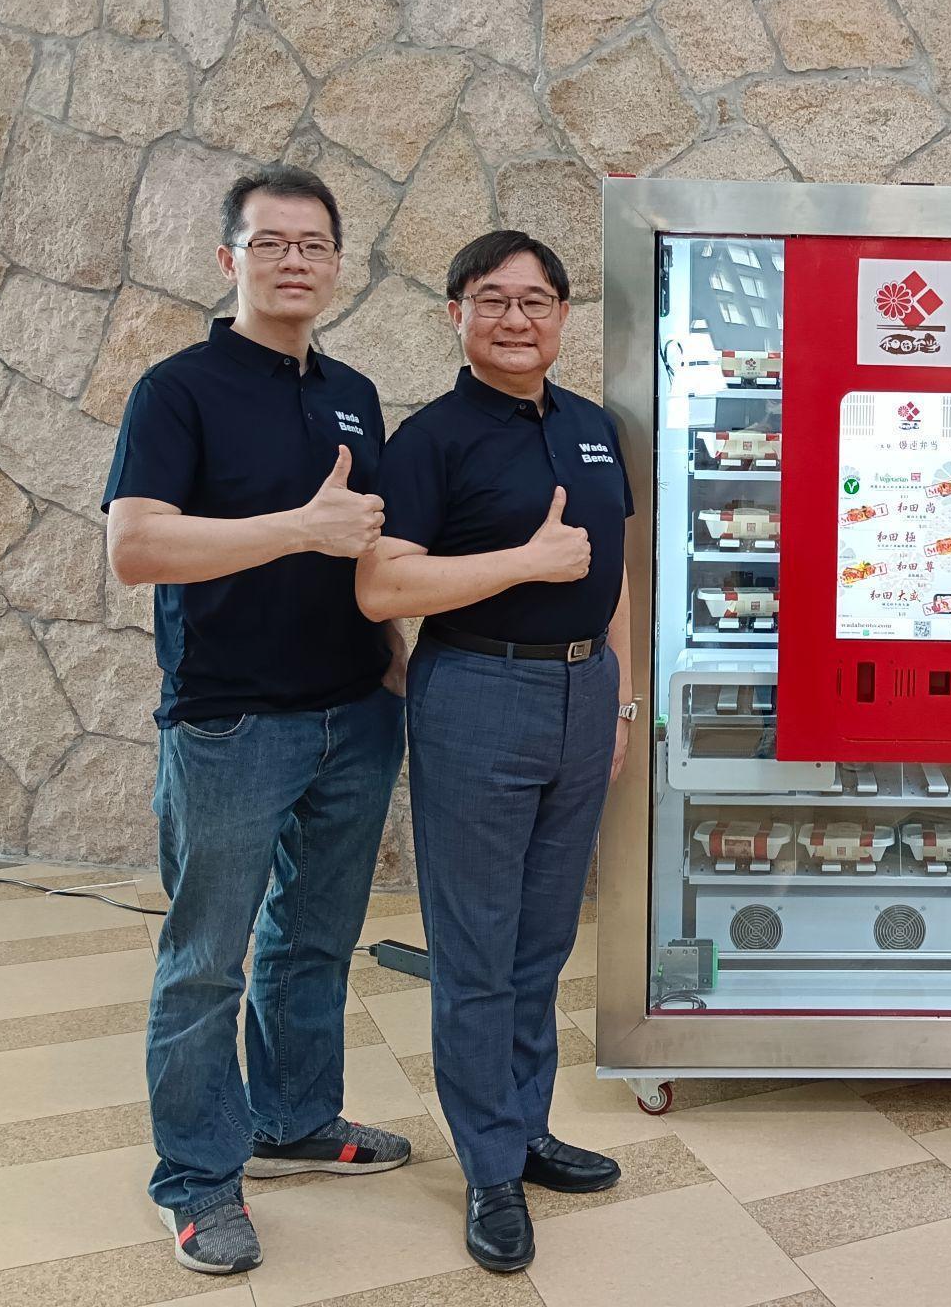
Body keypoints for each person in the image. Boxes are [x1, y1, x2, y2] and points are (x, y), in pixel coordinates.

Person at [104, 166, 413, 1277]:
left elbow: (363, 548)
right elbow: (135, 546)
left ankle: (291, 1120)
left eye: (314, 244)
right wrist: (295, 527)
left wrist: (388, 664)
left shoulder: (353, 393)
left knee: (312, 942)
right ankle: (194, 1181)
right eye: (271, 242)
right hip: (230, 725)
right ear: (228, 259)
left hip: (349, 716)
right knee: (205, 963)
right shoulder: (177, 390)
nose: (295, 260)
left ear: (336, 264)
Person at [356, 230, 636, 1275]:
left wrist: (620, 700)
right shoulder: (429, 440)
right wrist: (523, 561)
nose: (516, 320)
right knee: (475, 950)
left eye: (536, 301)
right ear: (456, 315)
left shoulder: (594, 430)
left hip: (581, 693)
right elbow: (383, 590)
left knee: (540, 941)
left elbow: (616, 572)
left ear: (563, 316)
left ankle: (524, 1127)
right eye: (492, 301)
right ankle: (485, 1166)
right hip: (478, 690)